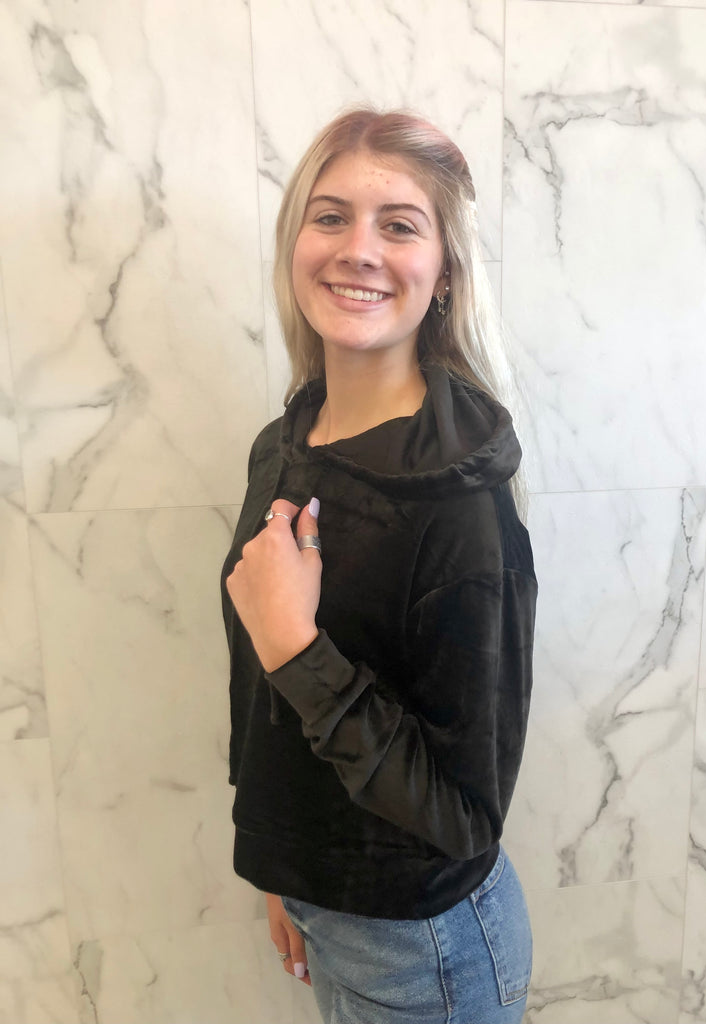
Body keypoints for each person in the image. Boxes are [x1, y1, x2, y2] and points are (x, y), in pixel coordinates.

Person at [221, 108, 536, 1024]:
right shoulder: (283, 443)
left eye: (399, 225)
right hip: (325, 905)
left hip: (423, 951)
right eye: (330, 217)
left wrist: (296, 646)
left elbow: (464, 816)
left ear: (444, 274)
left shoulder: (459, 502)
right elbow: (256, 683)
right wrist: (281, 862)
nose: (358, 249)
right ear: (295, 243)